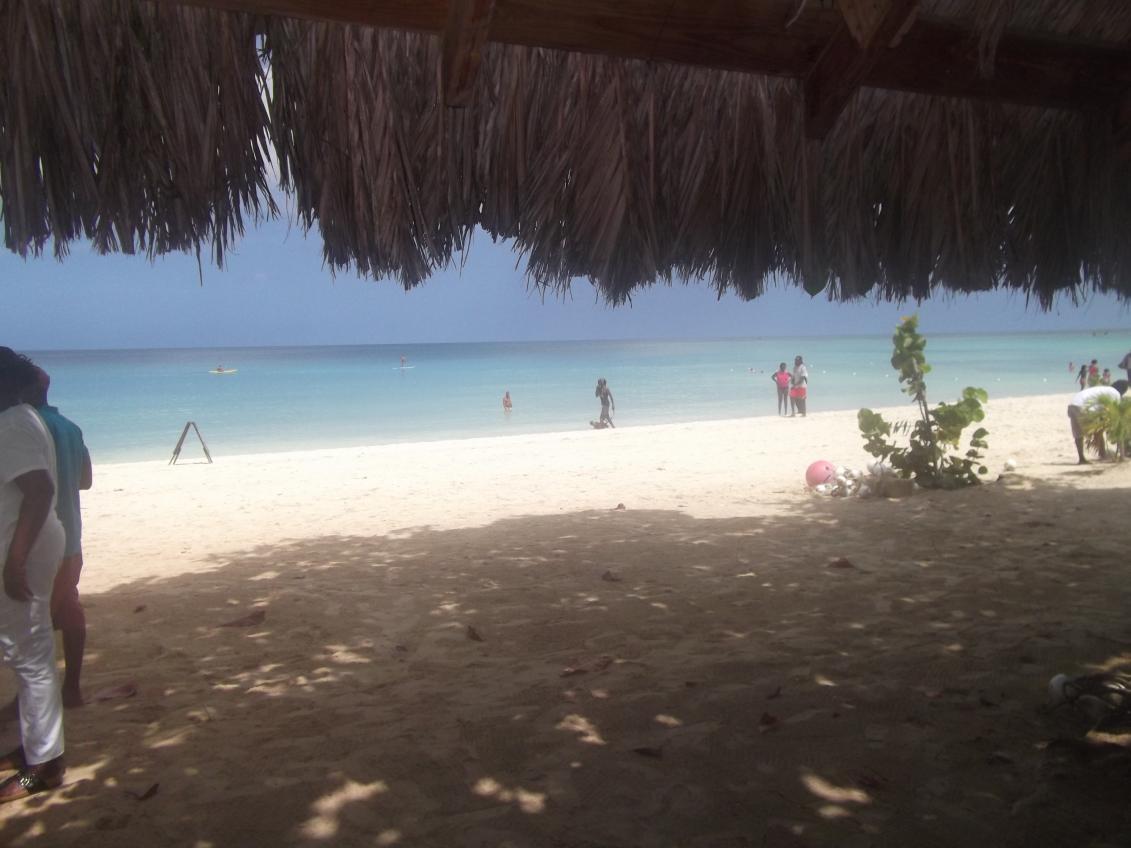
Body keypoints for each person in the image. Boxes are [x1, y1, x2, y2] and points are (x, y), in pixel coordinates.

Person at [0, 347, 66, 802]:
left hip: (24, 549)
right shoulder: (20, 417)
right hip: (27, 545)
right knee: (25, 650)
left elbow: (39, 491)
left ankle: (43, 767)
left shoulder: (12, 423)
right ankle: (35, 746)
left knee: (29, 654)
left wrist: (16, 560)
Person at [25, 368, 91, 708]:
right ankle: (72, 689)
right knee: (68, 607)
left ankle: (32, 698)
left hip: (34, 540)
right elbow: (85, 481)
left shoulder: (24, 429)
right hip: (70, 539)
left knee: (30, 621)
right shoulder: (70, 427)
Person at [1067, 379, 1128, 464]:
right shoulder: (1115, 393)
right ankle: (1103, 454)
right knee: (1098, 430)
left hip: (1072, 404)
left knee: (1078, 434)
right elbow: (1115, 414)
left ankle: (1082, 459)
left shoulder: (1105, 389)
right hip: (1083, 406)